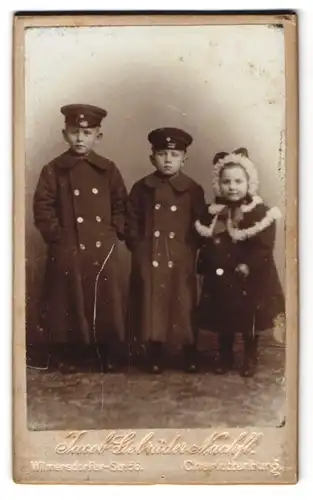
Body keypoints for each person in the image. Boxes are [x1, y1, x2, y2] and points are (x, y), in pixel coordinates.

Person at [32, 104, 127, 373]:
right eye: (75, 132)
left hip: (101, 246)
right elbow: (43, 206)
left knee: (104, 299)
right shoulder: (53, 170)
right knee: (66, 299)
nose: (80, 138)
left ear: (98, 136)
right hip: (68, 245)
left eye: (87, 132)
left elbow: (121, 202)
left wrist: (114, 231)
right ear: (65, 134)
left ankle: (105, 351)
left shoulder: (108, 169)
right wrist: (57, 236)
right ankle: (66, 352)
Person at [195, 147, 285, 377]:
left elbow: (264, 246)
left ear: (249, 183)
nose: (232, 187)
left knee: (249, 319)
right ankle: (225, 357)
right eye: (226, 182)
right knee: (223, 316)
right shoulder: (216, 213)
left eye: (238, 181)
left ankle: (250, 356)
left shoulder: (259, 212)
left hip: (250, 276)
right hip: (222, 275)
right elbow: (207, 241)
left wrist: (248, 264)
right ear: (218, 184)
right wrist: (206, 263)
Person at [125, 127, 206, 374]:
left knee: (183, 303)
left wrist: (189, 248)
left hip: (180, 256)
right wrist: (138, 247)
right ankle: (155, 351)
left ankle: (189, 352)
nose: (168, 159)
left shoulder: (193, 189)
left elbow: (200, 222)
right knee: (153, 304)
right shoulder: (142, 188)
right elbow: (131, 220)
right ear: (152, 158)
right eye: (162, 154)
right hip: (150, 255)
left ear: (184, 159)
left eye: (174, 154)